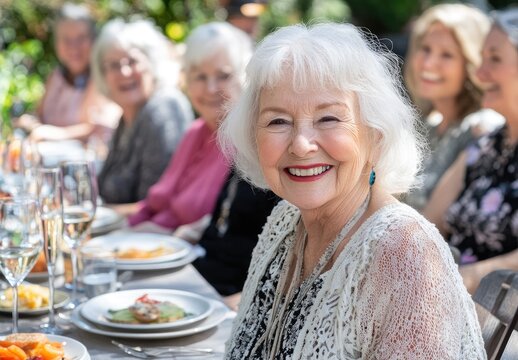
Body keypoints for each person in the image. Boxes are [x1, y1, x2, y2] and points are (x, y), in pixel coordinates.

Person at [218, 23, 485, 358]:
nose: (301, 145)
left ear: (374, 133)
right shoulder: (285, 222)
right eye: (278, 121)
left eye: (329, 118)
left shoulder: (405, 252)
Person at [424, 7, 518, 294]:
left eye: (495, 59)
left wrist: (459, 280)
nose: (480, 73)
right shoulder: (484, 147)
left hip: (498, 327)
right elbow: (426, 227)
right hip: (445, 304)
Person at [127, 22, 253, 231]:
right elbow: (155, 207)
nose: (211, 88)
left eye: (223, 76)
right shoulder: (195, 132)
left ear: (245, 79)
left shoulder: (247, 142)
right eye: (200, 77)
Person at [404, 3, 503, 210]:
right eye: (425, 49)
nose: (429, 64)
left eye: (447, 55)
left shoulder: (482, 128)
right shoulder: (427, 126)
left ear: (472, 63)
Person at [92, 19, 193, 204]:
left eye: (132, 61)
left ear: (152, 64)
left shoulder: (163, 110)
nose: (124, 72)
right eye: (114, 65)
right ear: (103, 74)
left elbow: (155, 204)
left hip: (146, 232)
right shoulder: (128, 116)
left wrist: (99, 214)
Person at [16, 2, 121, 144]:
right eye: (66, 39)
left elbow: (100, 128)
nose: (74, 47)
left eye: (81, 38)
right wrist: (30, 123)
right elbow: (39, 117)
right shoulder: (55, 77)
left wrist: (54, 134)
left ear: (94, 40)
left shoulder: (105, 76)